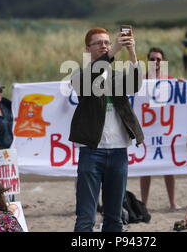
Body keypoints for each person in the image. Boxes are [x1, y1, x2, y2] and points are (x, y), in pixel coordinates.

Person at [69, 27, 144, 232]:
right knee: (86, 217)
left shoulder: (116, 76)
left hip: (119, 150)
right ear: (87, 49)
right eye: (99, 43)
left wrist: (131, 51)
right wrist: (113, 52)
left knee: (115, 217)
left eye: (107, 42)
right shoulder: (79, 74)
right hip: (92, 151)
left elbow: (136, 84)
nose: (104, 45)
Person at [140, 47, 180, 210]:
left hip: (165, 130)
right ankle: (144, 204)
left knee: (168, 167)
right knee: (145, 167)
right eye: (152, 59)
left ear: (163, 62)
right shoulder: (141, 81)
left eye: (158, 59)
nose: (155, 62)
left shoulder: (170, 80)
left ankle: (172, 202)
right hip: (146, 130)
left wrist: (183, 85)